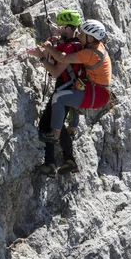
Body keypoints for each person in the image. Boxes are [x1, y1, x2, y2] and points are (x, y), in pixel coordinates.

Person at [38, 19, 112, 161]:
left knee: (58, 98)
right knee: (69, 94)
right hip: (97, 91)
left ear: (90, 38)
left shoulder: (90, 53)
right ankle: (72, 128)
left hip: (95, 95)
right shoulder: (97, 46)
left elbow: (62, 58)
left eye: (82, 35)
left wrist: (48, 48)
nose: (79, 37)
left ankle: (55, 134)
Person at [28, 9, 83, 177]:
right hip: (70, 89)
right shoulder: (76, 44)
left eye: (61, 27)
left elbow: (55, 72)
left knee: (47, 125)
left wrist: (42, 57)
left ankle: (51, 164)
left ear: (68, 28)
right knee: (56, 125)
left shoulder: (70, 46)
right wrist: (48, 47)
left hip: (64, 90)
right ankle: (67, 160)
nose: (58, 30)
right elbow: (54, 49)